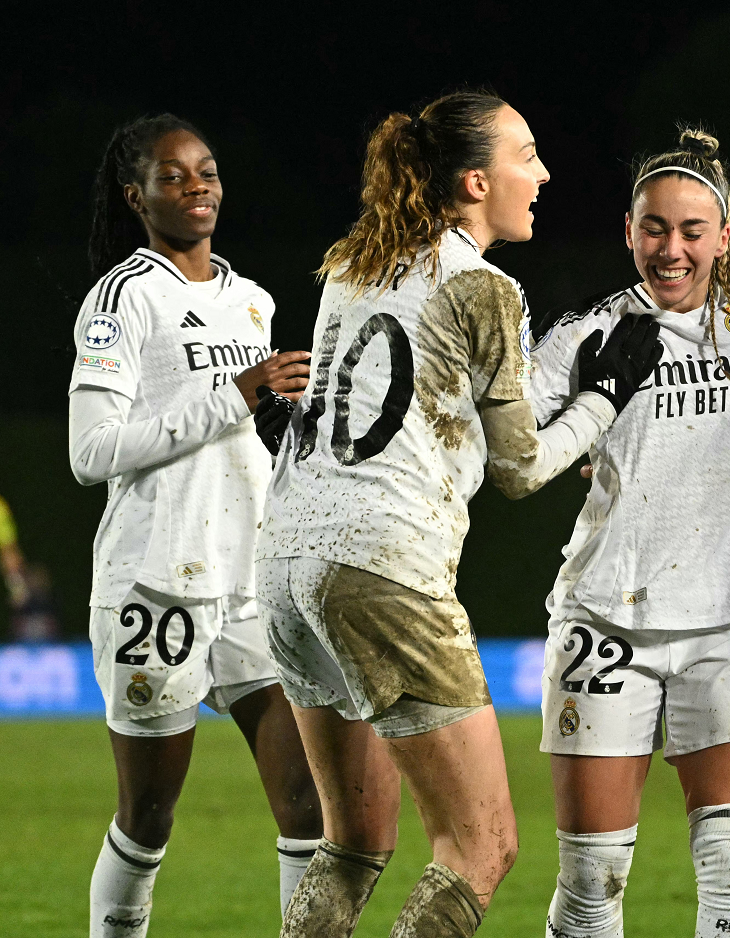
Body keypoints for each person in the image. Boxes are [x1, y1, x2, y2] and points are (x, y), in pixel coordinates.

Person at [254, 91, 662, 938]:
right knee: (482, 847)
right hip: (382, 567)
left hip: (287, 563)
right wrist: (605, 396)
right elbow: (519, 468)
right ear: (475, 181)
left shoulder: (352, 265)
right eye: (527, 154)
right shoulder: (483, 286)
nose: (543, 173)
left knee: (353, 843)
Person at [529, 128, 730, 938]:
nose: (671, 250)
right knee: (590, 884)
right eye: (654, 228)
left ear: (724, 235)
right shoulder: (589, 338)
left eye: (691, 231)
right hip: (606, 618)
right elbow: (506, 449)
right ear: (627, 231)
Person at [69, 114, 322, 938]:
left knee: (307, 803)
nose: (197, 186)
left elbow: (249, 434)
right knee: (148, 814)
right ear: (135, 196)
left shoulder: (252, 302)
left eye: (206, 171)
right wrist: (237, 394)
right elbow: (91, 451)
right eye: (173, 176)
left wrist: (285, 420)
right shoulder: (122, 299)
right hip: (156, 584)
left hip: (249, 583)